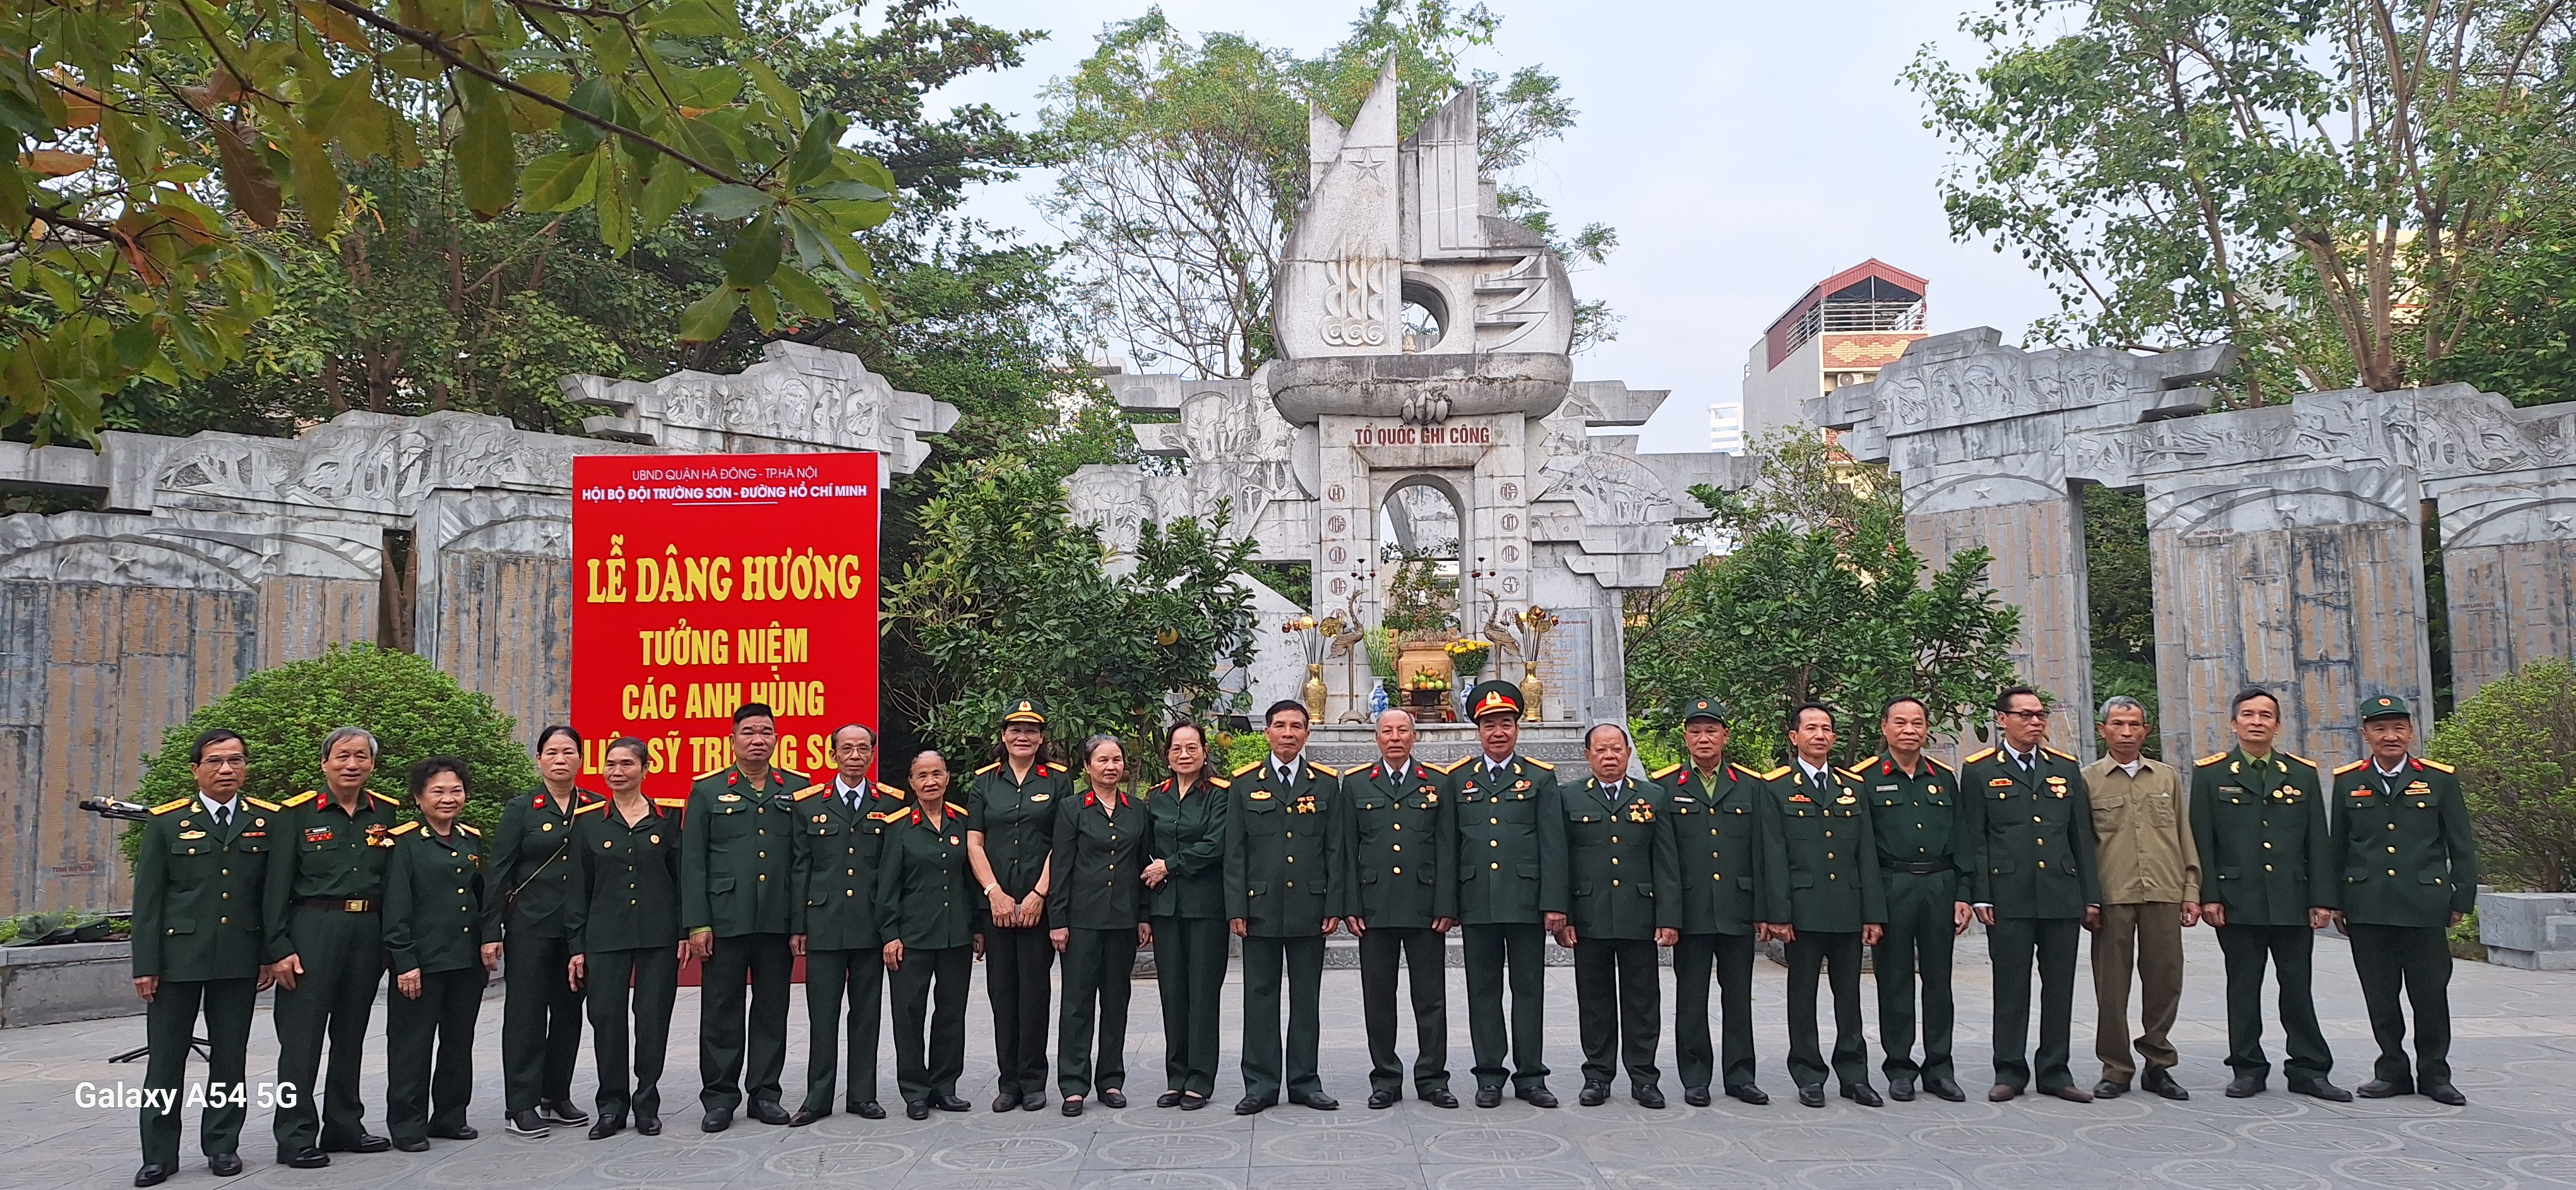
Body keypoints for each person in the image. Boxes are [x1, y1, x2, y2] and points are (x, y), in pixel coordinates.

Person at [132, 729, 278, 1187]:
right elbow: (149, 900)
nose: (226, 770)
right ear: (196, 769)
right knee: (166, 1060)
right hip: (177, 959)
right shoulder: (166, 822)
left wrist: (269, 954)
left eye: (235, 761)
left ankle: (222, 1145)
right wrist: (145, 965)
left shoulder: (264, 820)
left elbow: (269, 896)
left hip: (239, 956)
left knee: (230, 1057)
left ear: (246, 767)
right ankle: (158, 1153)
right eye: (215, 762)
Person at [2190, 687, 2347, 1101]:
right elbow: (2202, 840)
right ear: (2233, 723)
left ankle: (2309, 1068)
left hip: (2292, 898)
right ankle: (2247, 1067)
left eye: (2266, 715)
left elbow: (2318, 839)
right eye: (2248, 715)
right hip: (2237, 900)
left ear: (2278, 725)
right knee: (2243, 987)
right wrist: (2210, 896)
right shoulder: (2210, 774)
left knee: (2298, 986)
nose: (2257, 721)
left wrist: (2322, 898)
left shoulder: (2301, 773)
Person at [262, 726, 402, 1167]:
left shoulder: (387, 814)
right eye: (342, 756)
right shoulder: (296, 814)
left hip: (366, 931)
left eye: (361, 757)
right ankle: (295, 1134)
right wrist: (278, 947)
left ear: (373, 765)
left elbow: (394, 882)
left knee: (352, 1035)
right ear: (325, 763)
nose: (352, 764)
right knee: (301, 1040)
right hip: (312, 929)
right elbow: (273, 887)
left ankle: (344, 1124)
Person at [2331, 694, 2474, 1105]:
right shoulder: (2349, 781)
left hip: (2424, 903)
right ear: (2365, 734)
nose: (2390, 736)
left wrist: (2461, 898)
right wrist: (2336, 901)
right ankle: (2391, 1069)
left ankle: (2435, 1072)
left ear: (2411, 732)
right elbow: (2337, 845)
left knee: (2430, 993)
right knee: (2380, 994)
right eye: (2380, 728)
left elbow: (2460, 844)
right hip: (2367, 903)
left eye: (2398, 728)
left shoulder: (2439, 779)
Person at [1960, 686, 2101, 1103]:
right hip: (2008, 895)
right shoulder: (1980, 769)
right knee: (2011, 987)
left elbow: (2080, 836)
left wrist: (2089, 896)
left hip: (2060, 892)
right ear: (2001, 720)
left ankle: (2055, 1071)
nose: (2035, 722)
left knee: (2060, 987)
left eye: (2040, 715)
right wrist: (1980, 895)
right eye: (2024, 715)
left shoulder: (2065, 768)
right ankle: (2009, 1071)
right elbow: (1976, 838)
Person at [1757, 704, 1887, 1109]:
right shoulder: (1775, 786)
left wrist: (1873, 914)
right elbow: (1772, 855)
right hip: (1803, 910)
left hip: (1848, 907)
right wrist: (1779, 913)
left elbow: (1866, 853)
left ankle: (1854, 1074)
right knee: (1803, 994)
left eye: (1827, 728)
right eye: (1810, 728)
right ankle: (1809, 1074)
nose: (1820, 735)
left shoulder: (1853, 786)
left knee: (1850, 995)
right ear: (1793, 736)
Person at [1224, 699, 1347, 1114]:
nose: (1288, 734)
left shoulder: (1326, 783)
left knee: (1306, 998)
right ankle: (1260, 1084)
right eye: (1280, 726)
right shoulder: (1243, 784)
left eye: (1297, 726)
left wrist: (1333, 903)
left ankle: (1304, 1082)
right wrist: (1236, 906)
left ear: (1308, 734)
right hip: (1258, 907)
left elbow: (1335, 849)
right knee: (1259, 996)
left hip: (1309, 907)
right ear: (1268, 733)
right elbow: (1235, 852)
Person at [1449, 680, 1567, 1109]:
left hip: (1525, 901)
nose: (1498, 733)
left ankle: (1532, 1076)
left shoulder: (1539, 777)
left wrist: (1555, 903)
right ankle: (1489, 1076)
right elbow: (1450, 845)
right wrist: (1449, 903)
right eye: (1489, 726)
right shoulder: (1459, 779)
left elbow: (1553, 844)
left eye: (1506, 724)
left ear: (1518, 728)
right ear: (1477, 731)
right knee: (1483, 990)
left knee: (1528, 989)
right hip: (1477, 901)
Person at [682, 702, 801, 1131]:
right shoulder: (708, 790)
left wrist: (800, 922)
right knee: (720, 1010)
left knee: (772, 1010)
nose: (758, 739)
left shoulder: (797, 789)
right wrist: (697, 923)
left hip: (777, 920)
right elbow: (693, 862)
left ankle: (766, 1094)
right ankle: (719, 1097)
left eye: (766, 732)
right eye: (749, 732)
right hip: (725, 920)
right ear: (732, 740)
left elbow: (804, 860)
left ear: (776, 739)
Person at [381, 757, 503, 1151]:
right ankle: (407, 1124)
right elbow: (396, 908)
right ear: (418, 798)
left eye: (456, 790)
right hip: (423, 961)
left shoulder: (469, 839)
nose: (448, 798)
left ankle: (450, 1116)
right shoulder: (404, 843)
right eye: (437, 791)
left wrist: (489, 938)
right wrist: (405, 961)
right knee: (411, 1045)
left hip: (465, 961)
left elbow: (481, 898)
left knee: (457, 1041)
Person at [565, 736, 684, 1139]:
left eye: (626, 764)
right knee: (607, 1020)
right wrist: (577, 947)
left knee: (652, 1019)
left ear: (645, 769)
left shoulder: (667, 818)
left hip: (657, 934)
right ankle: (611, 1107)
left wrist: (684, 932)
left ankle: (647, 1103)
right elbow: (578, 888)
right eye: (611, 765)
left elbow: (681, 878)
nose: (617, 772)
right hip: (605, 935)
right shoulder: (588, 822)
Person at [1653, 697, 1770, 1107]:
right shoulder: (1666, 787)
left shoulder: (1752, 786)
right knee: (1692, 997)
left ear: (1725, 735)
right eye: (1696, 731)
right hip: (1692, 910)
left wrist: (1765, 912)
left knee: (1738, 996)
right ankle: (1695, 1076)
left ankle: (1741, 1076)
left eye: (1711, 731)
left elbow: (1762, 855)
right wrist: (1668, 916)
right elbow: (1665, 861)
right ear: (1685, 737)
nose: (1704, 738)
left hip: (1738, 908)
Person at [2080, 695, 2198, 1101]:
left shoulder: (2166, 777)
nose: (2126, 732)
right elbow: (2083, 845)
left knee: (2165, 979)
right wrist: (2089, 898)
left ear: (2146, 730)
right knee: (2111, 985)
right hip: (2113, 894)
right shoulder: (2087, 779)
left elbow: (2183, 833)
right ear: (2103, 731)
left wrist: (2191, 890)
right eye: (2117, 724)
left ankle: (2159, 1064)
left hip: (2164, 890)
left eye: (2134, 725)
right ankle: (2116, 1067)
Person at [1342, 709, 1460, 1110]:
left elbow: (1448, 848)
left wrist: (1447, 903)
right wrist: (1350, 906)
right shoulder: (1357, 784)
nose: (1395, 737)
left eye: (1402, 731)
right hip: (1374, 908)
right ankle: (1386, 1079)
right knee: (1379, 997)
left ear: (1415, 737)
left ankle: (1432, 1078)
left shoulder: (1438, 783)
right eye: (1387, 731)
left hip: (1425, 907)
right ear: (1376, 738)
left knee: (1431, 998)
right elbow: (1346, 851)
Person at [788, 724, 902, 1126]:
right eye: (846, 748)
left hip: (871, 926)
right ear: (831, 753)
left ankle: (862, 1096)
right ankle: (818, 1097)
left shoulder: (891, 803)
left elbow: (893, 872)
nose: (854, 755)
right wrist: (798, 925)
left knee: (867, 1014)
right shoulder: (807, 803)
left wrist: (893, 928)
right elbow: (799, 868)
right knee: (823, 1015)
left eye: (862, 748)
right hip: (823, 923)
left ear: (873, 753)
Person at [1559, 723, 1679, 1108]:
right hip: (1590, 914)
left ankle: (1644, 1077)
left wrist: (1668, 916)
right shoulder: (1569, 798)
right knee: (1594, 999)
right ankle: (1597, 1074)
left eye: (1616, 750)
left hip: (1638, 914)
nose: (1609, 757)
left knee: (1643, 1000)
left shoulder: (1653, 796)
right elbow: (1563, 861)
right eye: (1601, 751)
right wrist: (1565, 916)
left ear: (1628, 752)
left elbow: (1666, 863)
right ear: (1587, 755)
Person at [1858, 697, 1970, 1104]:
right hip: (1893, 885)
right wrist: (1870, 906)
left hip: (1939, 885)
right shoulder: (1865, 779)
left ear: (1927, 729)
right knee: (1894, 979)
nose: (1910, 730)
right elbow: (1864, 850)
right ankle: (1900, 1066)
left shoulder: (1943, 777)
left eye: (1918, 723)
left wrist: (1964, 894)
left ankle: (1940, 1067)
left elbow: (1961, 840)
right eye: (1901, 722)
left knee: (1939, 981)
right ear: (1885, 727)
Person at [492, 725, 599, 1138]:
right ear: (539, 759)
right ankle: (521, 1102)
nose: (560, 759)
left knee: (569, 1012)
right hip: (531, 926)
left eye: (568, 752)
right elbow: (500, 871)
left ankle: (557, 1094)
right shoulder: (522, 809)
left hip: (578, 930)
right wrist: (490, 931)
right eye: (551, 752)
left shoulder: (594, 806)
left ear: (581, 760)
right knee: (526, 1015)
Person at [967, 698, 1071, 1112]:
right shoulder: (984, 783)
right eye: (1015, 729)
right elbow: (975, 842)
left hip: (1037, 905)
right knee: (1002, 992)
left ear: (1042, 737)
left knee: (1034, 992)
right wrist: (994, 892)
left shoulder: (1058, 780)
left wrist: (1038, 894)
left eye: (1031, 730)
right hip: (997, 906)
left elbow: (1062, 843)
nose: (1022, 737)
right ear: (1004, 736)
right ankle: (1007, 1081)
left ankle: (1033, 1081)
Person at [1049, 735, 1152, 1115]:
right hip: (1081, 921)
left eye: (1117, 760)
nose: (1111, 767)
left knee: (1116, 1001)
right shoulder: (1072, 808)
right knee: (1077, 1003)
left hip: (1123, 920)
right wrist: (1058, 920)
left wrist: (1143, 916)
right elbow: (1061, 867)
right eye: (1103, 760)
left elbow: (1144, 864)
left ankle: (1110, 1079)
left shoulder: (1137, 809)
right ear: (1088, 767)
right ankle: (1073, 1085)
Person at [881, 750, 984, 1121]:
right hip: (912, 936)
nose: (930, 782)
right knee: (909, 1014)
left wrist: (977, 928)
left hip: (955, 934)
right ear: (911, 782)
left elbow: (971, 881)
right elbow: (887, 886)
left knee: (951, 1012)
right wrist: (890, 934)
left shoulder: (963, 823)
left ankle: (945, 1086)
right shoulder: (898, 826)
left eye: (937, 774)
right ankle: (914, 1091)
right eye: (922, 775)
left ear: (947, 778)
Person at [1144, 722, 1231, 1110]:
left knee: (1202, 993)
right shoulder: (1156, 797)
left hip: (1206, 908)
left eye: (1191, 747)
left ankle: (1200, 1080)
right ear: (1168, 755)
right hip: (1165, 907)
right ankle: (1175, 1076)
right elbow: (1145, 848)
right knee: (1173, 993)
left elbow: (1215, 844)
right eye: (1177, 748)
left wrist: (1171, 865)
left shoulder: (1219, 794)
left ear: (1204, 751)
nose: (1184, 755)